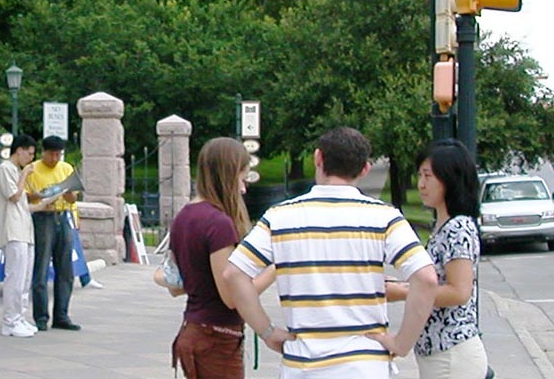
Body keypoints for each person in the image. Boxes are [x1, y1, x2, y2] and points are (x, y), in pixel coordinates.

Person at [224, 127, 438, 379]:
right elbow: (426, 279)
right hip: (364, 366)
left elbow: (234, 274)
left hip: (303, 366)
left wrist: (267, 331)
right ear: (365, 169)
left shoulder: (279, 217)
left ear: (318, 158)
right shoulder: (385, 218)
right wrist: (402, 343)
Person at [157, 137, 273, 379]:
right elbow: (232, 297)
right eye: (242, 179)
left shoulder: (184, 216)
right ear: (227, 175)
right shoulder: (218, 223)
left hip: (194, 330)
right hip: (216, 339)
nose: (243, 189)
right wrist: (276, 269)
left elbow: (176, 284)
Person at [384, 139, 488, 379]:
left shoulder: (458, 228)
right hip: (438, 353)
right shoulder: (443, 226)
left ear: (450, 178)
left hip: (452, 353)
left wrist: (404, 292)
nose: (421, 184)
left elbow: (459, 292)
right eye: (419, 175)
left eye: (428, 176)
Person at [26, 135, 81, 331]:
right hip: (43, 217)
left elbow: (73, 199)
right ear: (44, 152)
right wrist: (39, 195)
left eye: (58, 155)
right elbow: (25, 195)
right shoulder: (33, 169)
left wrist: (68, 193)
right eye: (52, 155)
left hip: (62, 215)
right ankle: (41, 316)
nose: (55, 158)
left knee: (65, 269)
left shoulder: (66, 169)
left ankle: (62, 315)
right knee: (41, 267)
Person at [0, 134, 39, 338]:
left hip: (24, 229)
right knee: (15, 276)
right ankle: (10, 321)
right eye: (29, 153)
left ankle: (20, 316)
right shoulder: (5, 169)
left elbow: (23, 202)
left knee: (25, 277)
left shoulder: (16, 170)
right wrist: (25, 175)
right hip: (12, 230)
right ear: (19, 150)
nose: (30, 158)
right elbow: (13, 195)